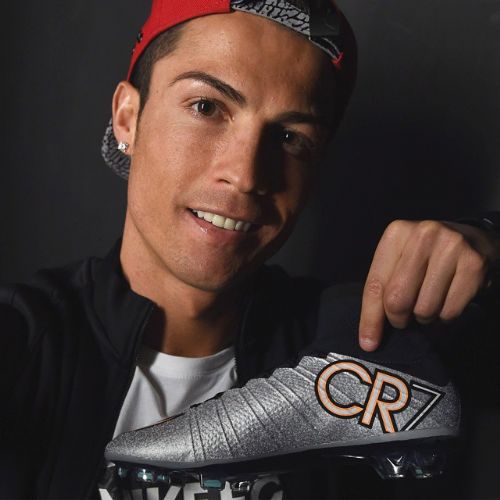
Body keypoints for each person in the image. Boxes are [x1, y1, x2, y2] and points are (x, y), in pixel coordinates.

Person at [1, 1, 499, 499]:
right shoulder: (25, 343)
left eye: (290, 137)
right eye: (206, 107)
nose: (245, 175)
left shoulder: (359, 351)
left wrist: (488, 247)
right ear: (128, 118)